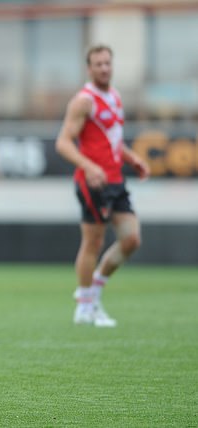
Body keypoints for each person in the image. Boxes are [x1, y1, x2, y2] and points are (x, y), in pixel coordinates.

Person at [56, 45, 150, 327]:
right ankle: (84, 307)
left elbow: (112, 140)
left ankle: (93, 290)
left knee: (131, 239)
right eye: (98, 64)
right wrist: (89, 166)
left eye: (107, 63)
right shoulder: (83, 101)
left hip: (115, 180)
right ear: (89, 68)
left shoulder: (115, 96)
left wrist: (132, 159)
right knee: (93, 242)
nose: (104, 68)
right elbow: (63, 142)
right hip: (92, 181)